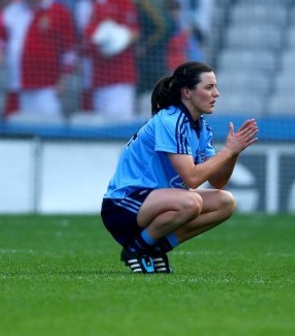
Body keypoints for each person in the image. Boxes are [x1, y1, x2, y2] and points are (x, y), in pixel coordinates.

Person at [101, 61, 259, 274]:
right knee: (191, 202)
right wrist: (227, 151)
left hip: (155, 203)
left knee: (225, 202)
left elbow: (218, 182)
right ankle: (136, 249)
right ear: (187, 92)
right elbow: (193, 178)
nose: (217, 93)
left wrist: (233, 153)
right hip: (123, 205)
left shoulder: (200, 126)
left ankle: (156, 248)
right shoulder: (171, 120)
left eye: (215, 87)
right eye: (209, 87)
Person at [0, 0, 77, 117]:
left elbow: (70, 50)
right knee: (15, 128)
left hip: (46, 87)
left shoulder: (59, 12)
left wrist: (64, 77)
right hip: (17, 86)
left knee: (47, 126)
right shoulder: (12, 11)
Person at [77, 0, 139, 118]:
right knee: (96, 125)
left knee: (120, 123)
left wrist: (116, 40)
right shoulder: (82, 5)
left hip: (118, 78)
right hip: (93, 76)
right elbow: (82, 40)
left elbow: (134, 32)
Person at [124, 0, 173, 94]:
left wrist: (146, 44)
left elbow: (166, 27)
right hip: (143, 60)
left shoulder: (147, 3)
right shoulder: (139, 3)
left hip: (152, 60)